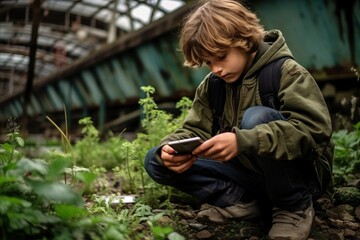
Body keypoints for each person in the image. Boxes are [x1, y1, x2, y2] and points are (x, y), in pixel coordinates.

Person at [144, 0, 334, 239]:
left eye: (221, 57)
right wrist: (170, 150)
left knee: (258, 117)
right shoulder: (213, 85)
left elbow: (313, 133)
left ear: (243, 40)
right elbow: (194, 130)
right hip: (250, 175)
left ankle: (293, 208)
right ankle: (244, 202)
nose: (216, 69)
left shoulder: (287, 72)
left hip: (301, 177)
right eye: (208, 63)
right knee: (154, 160)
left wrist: (244, 140)